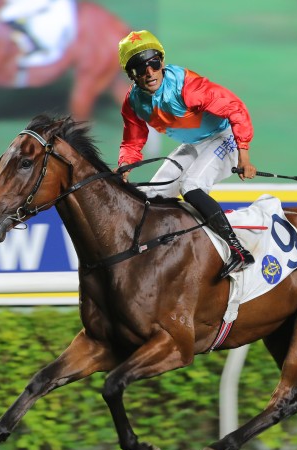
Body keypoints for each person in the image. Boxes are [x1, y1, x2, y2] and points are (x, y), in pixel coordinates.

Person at [116, 30, 258, 278]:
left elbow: (235, 108)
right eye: (140, 68)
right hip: (194, 144)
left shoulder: (187, 86)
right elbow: (132, 140)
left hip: (224, 138)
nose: (149, 72)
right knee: (151, 197)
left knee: (191, 185)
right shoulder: (133, 101)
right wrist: (125, 166)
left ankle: (238, 250)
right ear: (131, 74)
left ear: (162, 62)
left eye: (154, 63)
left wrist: (243, 155)